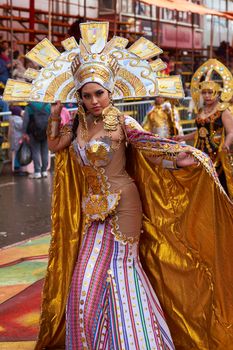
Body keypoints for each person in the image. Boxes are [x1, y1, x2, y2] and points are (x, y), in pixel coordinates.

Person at [3, 22, 233, 350]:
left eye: (99, 93)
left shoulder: (125, 122)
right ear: (79, 96)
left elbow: (149, 146)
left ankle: (138, 341)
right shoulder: (79, 123)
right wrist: (55, 114)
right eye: (87, 95)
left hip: (125, 205)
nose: (94, 100)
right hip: (93, 210)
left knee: (122, 275)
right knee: (83, 282)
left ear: (111, 91)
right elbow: (54, 146)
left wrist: (180, 156)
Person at [174, 59, 233, 199]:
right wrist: (184, 137)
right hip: (200, 151)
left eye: (210, 92)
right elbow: (200, 131)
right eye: (204, 93)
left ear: (218, 93)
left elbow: (231, 131)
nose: (207, 96)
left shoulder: (223, 111)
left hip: (217, 153)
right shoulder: (201, 110)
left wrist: (226, 144)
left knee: (219, 186)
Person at [22, 102, 50, 179]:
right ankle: (44, 171)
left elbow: (26, 120)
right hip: (46, 132)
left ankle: (37, 172)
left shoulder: (29, 106)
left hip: (33, 132)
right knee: (45, 152)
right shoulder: (48, 105)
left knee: (35, 151)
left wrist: (24, 133)